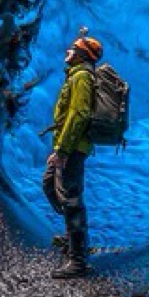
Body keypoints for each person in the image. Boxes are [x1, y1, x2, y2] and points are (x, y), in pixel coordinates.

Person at [42, 33, 103, 279]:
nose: (67, 50)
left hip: (73, 148)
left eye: (73, 48)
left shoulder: (81, 77)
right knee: (49, 184)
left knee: (71, 198)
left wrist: (63, 151)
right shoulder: (76, 75)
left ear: (82, 55)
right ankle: (73, 235)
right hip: (69, 146)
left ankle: (78, 259)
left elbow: (78, 115)